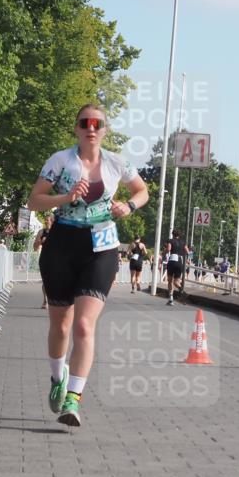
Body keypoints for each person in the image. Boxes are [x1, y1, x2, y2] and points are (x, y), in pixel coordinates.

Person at [27, 103, 149, 427]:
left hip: (102, 247)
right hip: (63, 244)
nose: (91, 128)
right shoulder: (61, 161)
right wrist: (64, 199)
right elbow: (34, 199)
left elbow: (142, 190)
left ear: (105, 130)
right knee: (61, 326)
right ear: (77, 128)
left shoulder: (116, 164)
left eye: (98, 123)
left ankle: (73, 400)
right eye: (85, 123)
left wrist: (129, 206)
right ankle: (58, 378)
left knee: (83, 325)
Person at [32, 213, 55, 308]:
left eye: (47, 220)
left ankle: (54, 301)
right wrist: (41, 242)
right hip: (45, 259)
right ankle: (45, 301)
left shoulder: (58, 232)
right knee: (46, 281)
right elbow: (35, 247)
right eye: (45, 220)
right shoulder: (41, 232)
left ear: (52, 221)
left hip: (57, 259)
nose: (46, 222)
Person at [163, 228, 189, 306]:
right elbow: (187, 251)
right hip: (180, 262)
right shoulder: (183, 242)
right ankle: (182, 291)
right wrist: (186, 259)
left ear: (172, 234)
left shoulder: (170, 241)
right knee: (176, 282)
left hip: (172, 261)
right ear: (179, 235)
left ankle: (171, 299)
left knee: (170, 281)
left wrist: (162, 253)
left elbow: (168, 249)